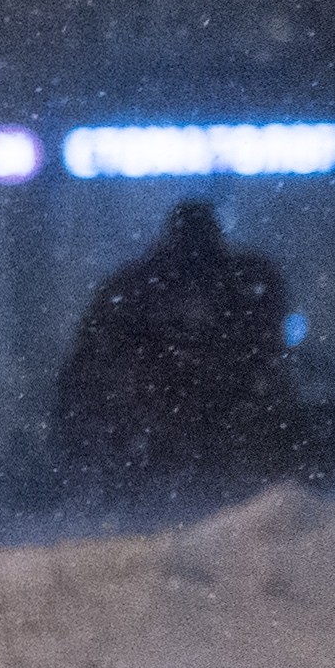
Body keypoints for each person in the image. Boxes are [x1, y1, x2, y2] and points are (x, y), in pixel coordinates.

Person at [49, 199, 300, 502]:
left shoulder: (133, 287)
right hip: (201, 430)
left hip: (162, 436)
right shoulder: (246, 282)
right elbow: (269, 347)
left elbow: (91, 357)